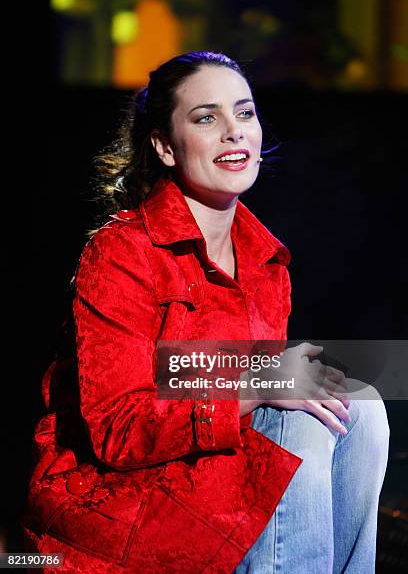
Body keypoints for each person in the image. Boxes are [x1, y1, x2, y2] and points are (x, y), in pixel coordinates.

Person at [22, 51, 389, 573]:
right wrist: (260, 384)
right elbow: (117, 431)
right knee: (299, 426)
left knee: (361, 406)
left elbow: (217, 385)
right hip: (127, 498)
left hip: (219, 483)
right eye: (205, 118)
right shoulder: (123, 252)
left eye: (244, 113)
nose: (234, 132)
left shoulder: (267, 261)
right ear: (165, 148)